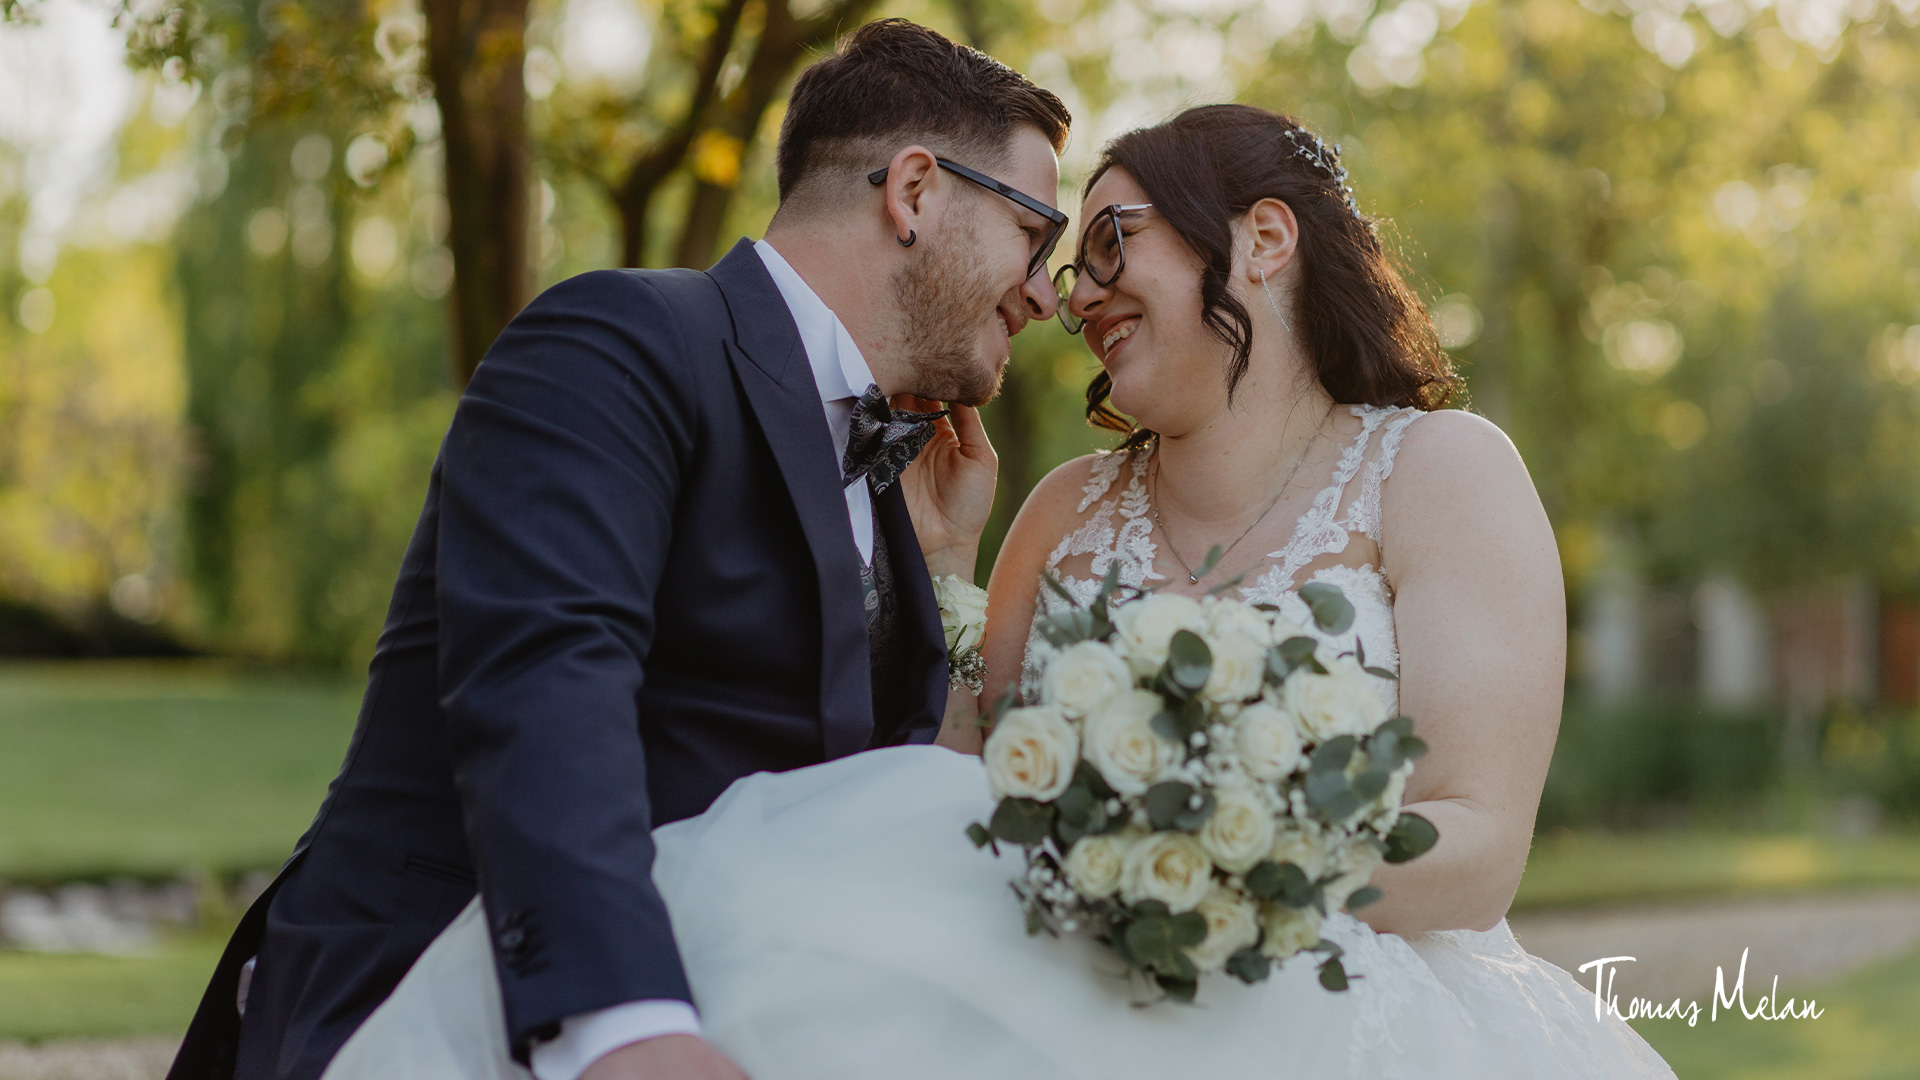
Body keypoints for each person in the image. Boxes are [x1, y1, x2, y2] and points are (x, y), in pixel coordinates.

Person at [320, 103, 1677, 1079]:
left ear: (1263, 240)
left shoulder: (1439, 472)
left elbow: (1479, 843)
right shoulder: (1063, 510)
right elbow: (943, 801)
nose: (1072, 298)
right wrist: (942, 580)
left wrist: (1218, 877)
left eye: (1109, 243)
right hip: (1062, 982)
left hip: (1342, 996)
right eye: (1063, 259)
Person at [164, 19, 1071, 1080]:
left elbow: (870, 816)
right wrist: (625, 1025)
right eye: (1035, 234)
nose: (1043, 293)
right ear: (914, 191)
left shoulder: (892, 480)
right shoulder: (618, 341)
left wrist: (946, 561)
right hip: (449, 1009)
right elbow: (546, 679)